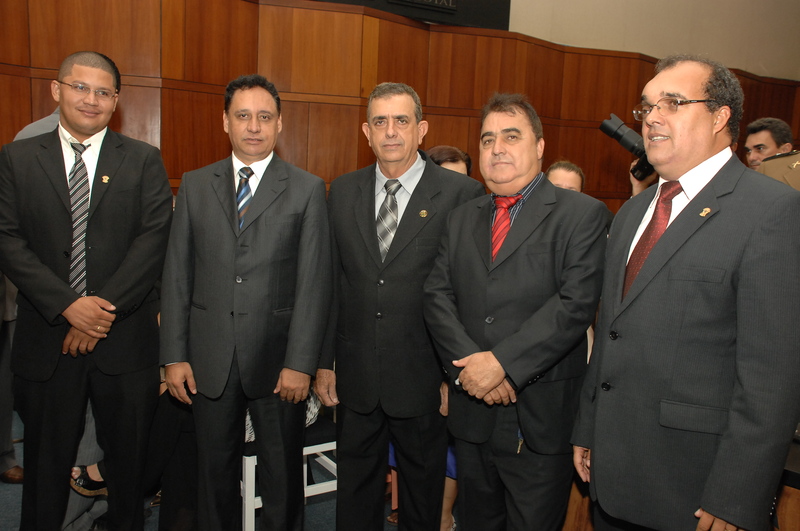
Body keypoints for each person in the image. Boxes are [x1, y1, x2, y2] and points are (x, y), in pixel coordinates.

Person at [572, 55, 800, 531]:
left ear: (719, 117)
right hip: (612, 476)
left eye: (672, 103)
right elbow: (611, 331)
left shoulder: (772, 211)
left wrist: (736, 497)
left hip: (696, 490)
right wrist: (589, 427)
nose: (652, 117)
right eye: (647, 106)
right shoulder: (632, 214)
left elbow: (772, 379)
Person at [0, 51, 173, 530]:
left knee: (129, 469)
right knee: (44, 467)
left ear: (116, 101)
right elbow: (7, 239)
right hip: (46, 341)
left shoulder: (143, 160)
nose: (90, 99)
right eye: (80, 87)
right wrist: (68, 306)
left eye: (102, 92)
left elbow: (153, 241)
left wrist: (99, 313)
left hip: (125, 342)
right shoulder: (16, 159)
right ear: (57, 90)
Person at [422, 93, 607, 531]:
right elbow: (436, 295)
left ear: (539, 146)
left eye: (511, 136)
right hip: (472, 414)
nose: (497, 148)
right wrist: (473, 368)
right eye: (487, 140)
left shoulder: (581, 214)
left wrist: (501, 364)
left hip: (538, 420)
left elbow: (574, 305)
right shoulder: (461, 218)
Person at [160, 74, 331, 531]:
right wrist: (173, 356)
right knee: (213, 476)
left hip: (279, 366)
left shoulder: (307, 189)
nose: (254, 126)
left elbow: (314, 285)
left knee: (282, 479)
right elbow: (176, 275)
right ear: (225, 122)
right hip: (208, 359)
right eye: (243, 116)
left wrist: (301, 364)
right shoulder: (195, 184)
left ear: (279, 124)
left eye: (264, 117)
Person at [314, 82, 484, 531]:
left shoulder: (461, 194)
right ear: (366, 132)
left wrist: (453, 375)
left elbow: (468, 296)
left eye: (401, 121)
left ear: (421, 129)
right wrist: (325, 362)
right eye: (380, 122)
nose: (391, 131)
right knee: (354, 496)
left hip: (425, 379)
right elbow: (332, 284)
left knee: (422, 500)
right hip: (356, 376)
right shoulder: (343, 191)